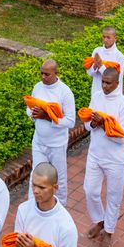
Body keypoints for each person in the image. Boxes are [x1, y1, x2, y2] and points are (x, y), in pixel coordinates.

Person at [82, 67, 124, 247]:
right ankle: (100, 220)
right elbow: (87, 125)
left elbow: (122, 138)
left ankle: (109, 231)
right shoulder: (96, 97)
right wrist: (93, 123)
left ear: (117, 84)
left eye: (108, 83)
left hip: (115, 159)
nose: (104, 85)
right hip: (95, 153)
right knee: (90, 190)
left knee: (113, 196)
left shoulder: (123, 106)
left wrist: (104, 124)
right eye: (103, 81)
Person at [26, 60, 76, 205]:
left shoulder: (65, 92)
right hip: (39, 142)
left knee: (58, 178)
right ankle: (32, 207)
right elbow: (29, 108)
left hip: (57, 145)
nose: (43, 77)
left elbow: (71, 121)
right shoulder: (37, 87)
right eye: (41, 73)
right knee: (35, 176)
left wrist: (48, 117)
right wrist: (32, 113)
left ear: (56, 73)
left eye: (47, 74)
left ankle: (61, 208)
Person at [86, 26, 124, 95]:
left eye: (108, 37)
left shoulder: (120, 56)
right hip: (96, 90)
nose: (105, 40)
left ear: (115, 38)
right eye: (104, 37)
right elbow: (90, 73)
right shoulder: (97, 50)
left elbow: (117, 79)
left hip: (111, 93)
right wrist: (95, 66)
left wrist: (100, 66)